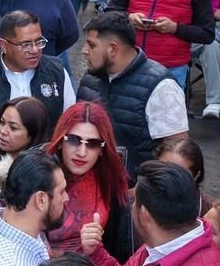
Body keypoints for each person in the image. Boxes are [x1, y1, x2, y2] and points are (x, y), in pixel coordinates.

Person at [76, 11, 189, 175]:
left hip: (136, 193)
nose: (84, 51)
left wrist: (144, 189)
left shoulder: (162, 87)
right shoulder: (89, 80)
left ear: (113, 49)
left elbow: (177, 152)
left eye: (91, 45)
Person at [43, 100, 136, 262]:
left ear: (102, 149)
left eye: (93, 144)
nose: (82, 152)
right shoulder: (38, 174)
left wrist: (93, 253)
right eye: (73, 140)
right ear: (59, 142)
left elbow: (120, 250)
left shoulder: (112, 180)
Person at [0, 96, 52, 192]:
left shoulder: (43, 173)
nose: (3, 131)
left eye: (13, 128)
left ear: (32, 135)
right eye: (2, 122)